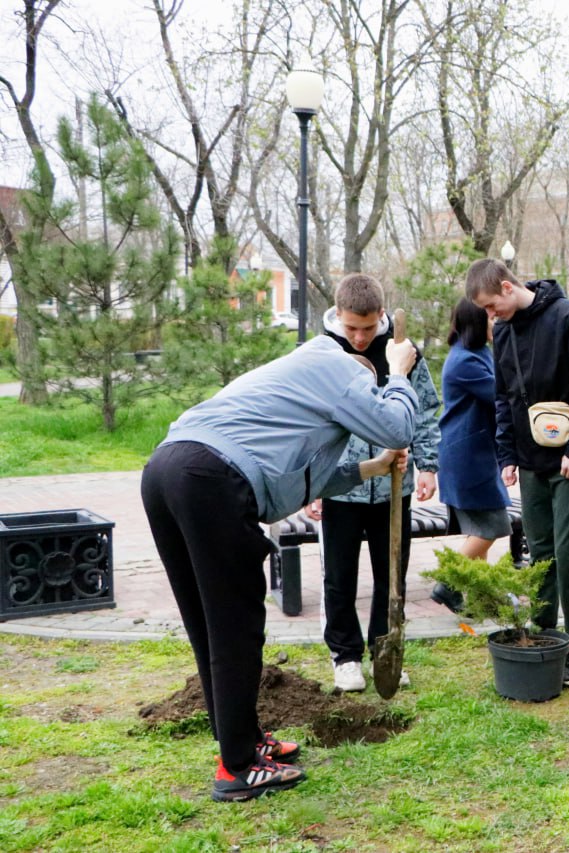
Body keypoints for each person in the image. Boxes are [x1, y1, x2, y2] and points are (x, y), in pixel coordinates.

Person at [140, 333, 418, 802]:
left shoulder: (294, 385)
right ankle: (238, 768)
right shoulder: (344, 370)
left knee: (208, 625)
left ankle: (244, 741)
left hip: (166, 469)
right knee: (236, 628)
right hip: (209, 479)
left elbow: (301, 483)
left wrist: (374, 467)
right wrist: (397, 374)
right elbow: (397, 426)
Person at [466, 258, 569, 687]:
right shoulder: (504, 331)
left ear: (508, 287)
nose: (490, 315)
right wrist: (507, 455)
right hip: (530, 462)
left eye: (491, 305)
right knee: (540, 554)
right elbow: (504, 397)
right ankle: (545, 634)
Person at [303, 274, 441, 693]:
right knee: (339, 576)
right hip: (338, 486)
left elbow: (425, 408)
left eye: (367, 328)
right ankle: (345, 657)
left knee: (392, 575)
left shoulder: (402, 351)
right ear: (337, 314)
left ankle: (385, 649)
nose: (360, 338)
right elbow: (306, 421)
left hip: (394, 488)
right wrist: (309, 482)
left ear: (381, 314)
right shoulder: (321, 352)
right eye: (352, 328)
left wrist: (428, 464)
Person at [429, 297, 512, 613]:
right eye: (490, 318)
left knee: (482, 527)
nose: (496, 322)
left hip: (473, 455)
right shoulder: (464, 361)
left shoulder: (476, 353)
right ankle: (447, 582)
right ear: (476, 322)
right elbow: (501, 394)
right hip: (466, 458)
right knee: (493, 526)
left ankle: (482, 595)